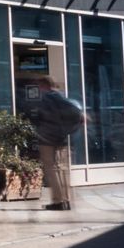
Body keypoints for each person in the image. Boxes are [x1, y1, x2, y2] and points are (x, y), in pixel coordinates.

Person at [30, 76, 86, 211]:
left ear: (44, 86)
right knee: (63, 170)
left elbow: (44, 119)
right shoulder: (63, 98)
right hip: (63, 138)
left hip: (48, 139)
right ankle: (66, 200)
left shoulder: (46, 99)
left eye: (39, 86)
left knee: (51, 169)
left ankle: (58, 201)